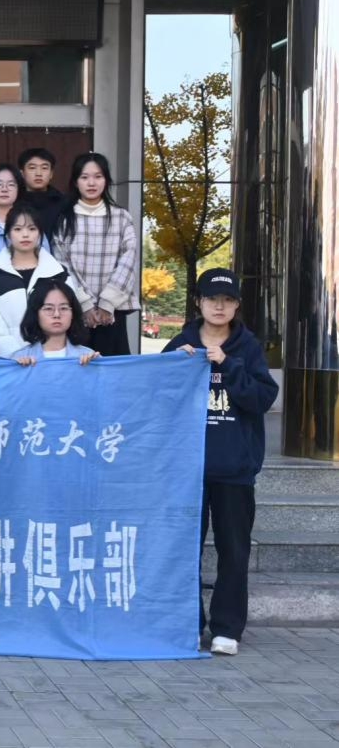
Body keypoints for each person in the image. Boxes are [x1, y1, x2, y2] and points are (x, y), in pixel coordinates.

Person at [165, 268, 278, 657]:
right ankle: (188, 623)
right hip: (188, 471)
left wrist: (227, 364)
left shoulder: (249, 348)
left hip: (235, 470)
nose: (219, 306)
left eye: (227, 300)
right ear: (199, 302)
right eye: (212, 299)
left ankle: (227, 628)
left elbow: (261, 399)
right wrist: (173, 367)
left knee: (234, 550)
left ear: (236, 306)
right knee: (185, 550)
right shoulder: (180, 344)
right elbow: (155, 398)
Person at [50, 152, 140, 356]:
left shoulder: (121, 217)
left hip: (113, 312)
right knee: (79, 367)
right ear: (75, 182)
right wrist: (84, 303)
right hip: (76, 310)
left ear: (106, 180)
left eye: (98, 176)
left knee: (113, 370)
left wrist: (108, 301)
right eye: (84, 177)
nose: (91, 183)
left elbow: (128, 260)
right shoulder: (65, 219)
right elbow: (62, 265)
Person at [0, 204, 72, 358]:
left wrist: (47, 355)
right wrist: (18, 356)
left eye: (32, 229)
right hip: (9, 362)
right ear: (8, 234)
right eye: (18, 229)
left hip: (53, 360)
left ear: (40, 234)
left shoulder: (59, 274)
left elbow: (70, 318)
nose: (25, 235)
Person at [12, 280, 99, 365]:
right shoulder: (19, 359)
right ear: (35, 314)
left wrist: (94, 368)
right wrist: (20, 370)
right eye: (48, 308)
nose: (56, 314)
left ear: (73, 314)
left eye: (63, 308)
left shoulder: (89, 357)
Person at [18, 147, 66, 236]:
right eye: (32, 168)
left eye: (44, 168)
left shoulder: (63, 202)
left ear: (51, 174)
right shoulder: (13, 201)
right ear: (22, 173)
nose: (38, 173)